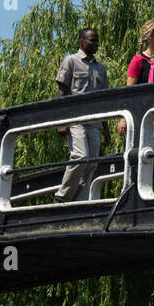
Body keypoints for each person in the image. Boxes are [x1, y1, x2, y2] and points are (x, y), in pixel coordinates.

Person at [54, 28, 110, 202]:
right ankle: (62, 196)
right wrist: (61, 122)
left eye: (97, 41)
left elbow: (104, 101)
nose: (95, 44)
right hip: (75, 119)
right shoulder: (71, 61)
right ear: (81, 42)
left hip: (94, 122)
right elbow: (61, 93)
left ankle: (80, 201)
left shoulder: (100, 69)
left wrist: (106, 130)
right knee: (80, 156)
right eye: (92, 40)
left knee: (92, 164)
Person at [117, 18, 154, 181]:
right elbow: (129, 91)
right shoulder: (138, 61)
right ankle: (136, 186)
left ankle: (146, 184)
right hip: (142, 116)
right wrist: (124, 118)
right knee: (142, 152)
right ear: (151, 36)